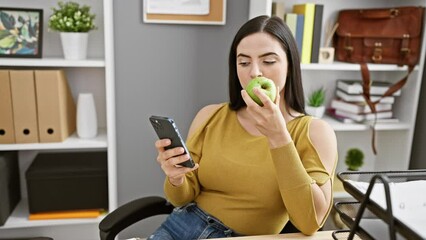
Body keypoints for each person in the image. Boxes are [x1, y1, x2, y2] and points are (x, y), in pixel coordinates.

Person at [150, 15, 337, 239]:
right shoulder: (210, 116)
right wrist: (176, 178)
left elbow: (310, 223)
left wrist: (279, 138)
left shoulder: (314, 131)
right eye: (244, 62)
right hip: (182, 225)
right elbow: (181, 198)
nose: (255, 73)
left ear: (290, 64)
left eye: (268, 61)